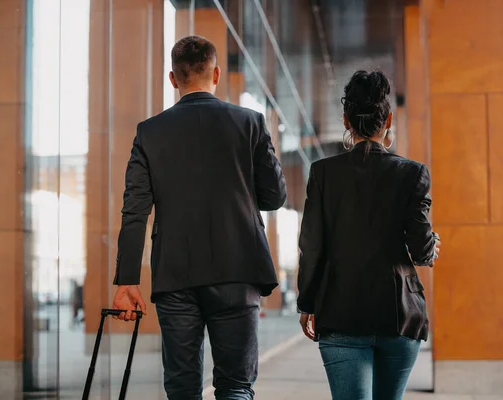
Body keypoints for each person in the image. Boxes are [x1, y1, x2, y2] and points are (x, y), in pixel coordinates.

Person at [111, 36, 286, 399]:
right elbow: (275, 196)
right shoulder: (250, 123)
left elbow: (135, 210)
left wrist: (126, 280)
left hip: (176, 275)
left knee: (182, 388)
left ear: (173, 79)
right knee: (236, 386)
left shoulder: (149, 132)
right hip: (239, 271)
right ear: (217, 73)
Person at [296, 70, 441, 400]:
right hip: (399, 316)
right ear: (388, 119)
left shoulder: (323, 174)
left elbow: (312, 245)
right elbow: (421, 250)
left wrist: (307, 302)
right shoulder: (413, 174)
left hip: (340, 312)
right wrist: (433, 246)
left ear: (346, 121)